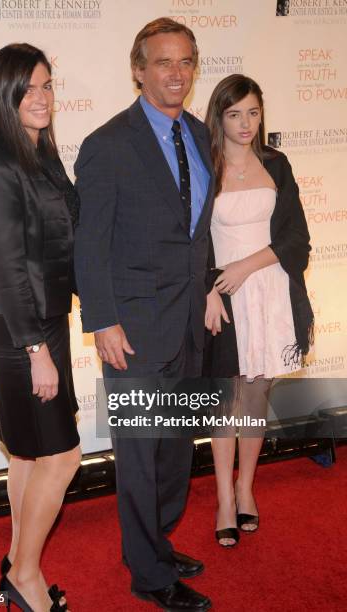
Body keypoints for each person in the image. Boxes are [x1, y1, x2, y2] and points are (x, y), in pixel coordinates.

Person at [74, 17, 213, 612]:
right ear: (138, 70)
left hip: (189, 324)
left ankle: (156, 540)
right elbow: (89, 244)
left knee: (177, 447)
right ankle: (149, 574)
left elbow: (197, 236)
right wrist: (102, 319)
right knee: (138, 451)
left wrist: (209, 290)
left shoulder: (203, 135)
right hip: (131, 327)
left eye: (185, 62)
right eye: (163, 62)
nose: (176, 73)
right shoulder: (108, 144)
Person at [0, 43, 81, 611]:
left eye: (46, 85)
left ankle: (17, 561)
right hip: (20, 331)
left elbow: (65, 240)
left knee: (29, 456)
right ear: (3, 97)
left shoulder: (43, 155)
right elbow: (7, 269)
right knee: (61, 456)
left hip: (45, 321)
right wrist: (36, 348)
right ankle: (25, 575)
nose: (41, 98)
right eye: (27, 89)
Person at [203, 74, 313, 547]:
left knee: (254, 399)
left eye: (253, 112)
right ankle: (223, 497)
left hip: (271, 295)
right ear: (219, 117)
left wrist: (247, 265)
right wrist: (208, 289)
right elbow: (190, 242)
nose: (245, 123)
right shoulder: (203, 168)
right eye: (234, 114)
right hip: (222, 298)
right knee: (224, 402)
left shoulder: (277, 164)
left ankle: (246, 487)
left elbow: (296, 240)